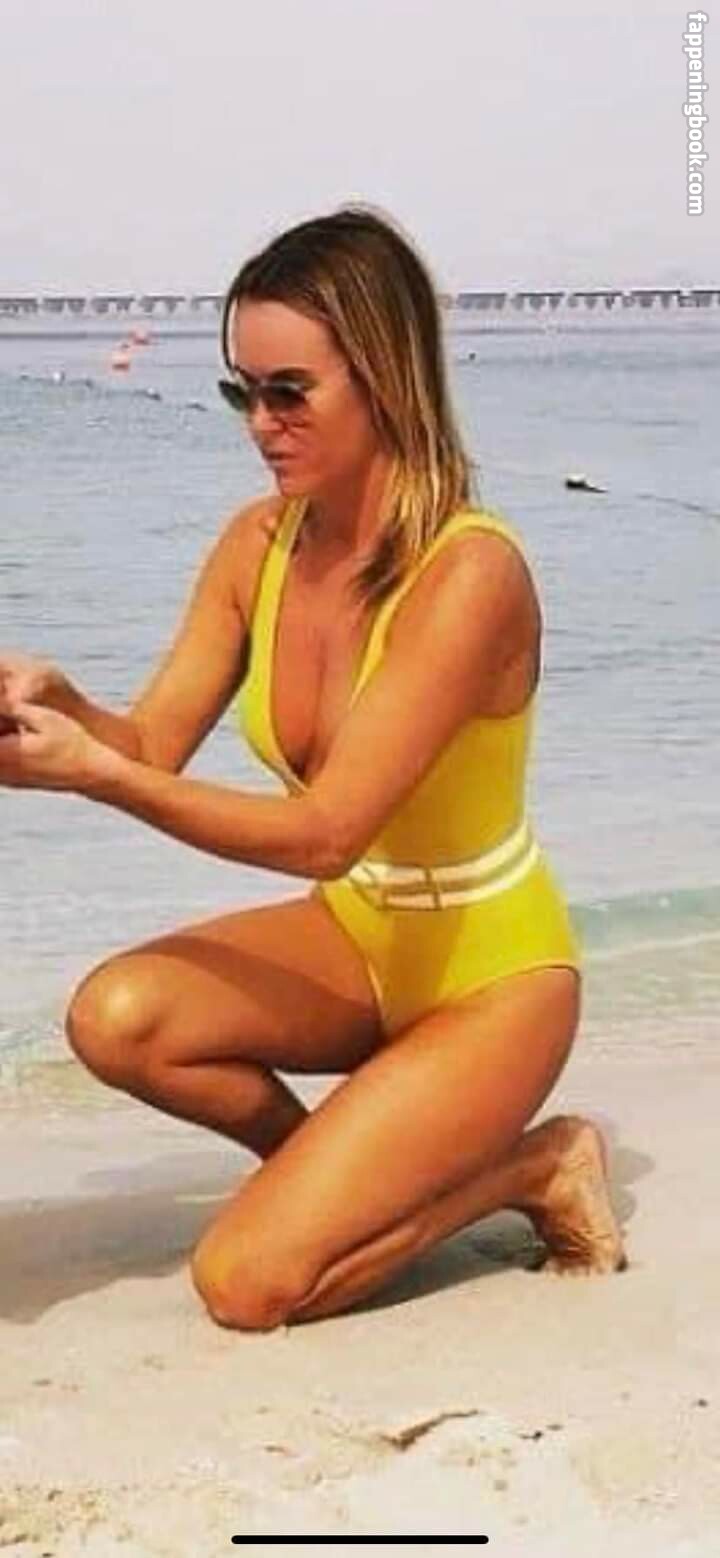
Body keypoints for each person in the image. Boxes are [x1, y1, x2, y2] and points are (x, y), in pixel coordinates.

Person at [0, 207, 626, 1331]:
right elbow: (150, 744)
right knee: (116, 1016)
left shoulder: (469, 575)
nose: (262, 424)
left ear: (384, 377)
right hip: (357, 939)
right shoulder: (259, 543)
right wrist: (58, 712)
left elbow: (327, 833)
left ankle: (530, 1166)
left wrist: (95, 774)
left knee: (247, 1286)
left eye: (290, 392)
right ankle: (325, 1183)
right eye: (242, 392)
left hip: (493, 978)